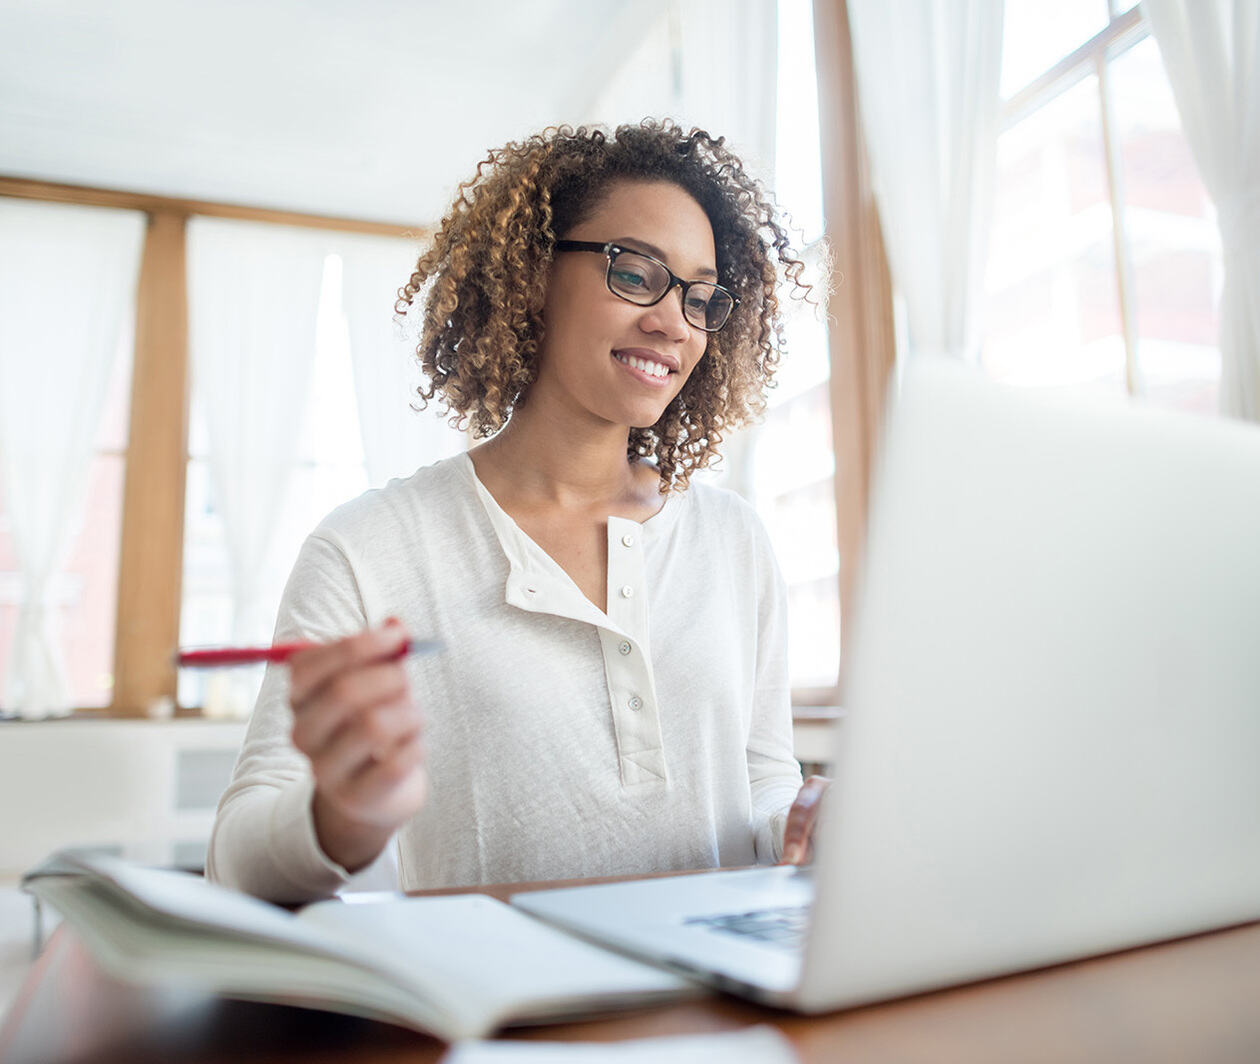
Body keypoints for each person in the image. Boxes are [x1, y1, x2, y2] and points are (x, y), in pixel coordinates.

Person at [207, 121, 828, 904]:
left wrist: (806, 823)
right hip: (497, 1017)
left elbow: (762, 782)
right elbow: (233, 861)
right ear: (533, 273)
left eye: (700, 297)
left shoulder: (733, 541)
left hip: (721, 1007)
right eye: (635, 273)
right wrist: (337, 819)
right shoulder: (369, 549)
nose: (674, 322)